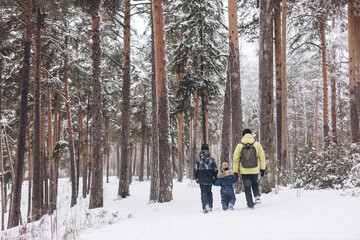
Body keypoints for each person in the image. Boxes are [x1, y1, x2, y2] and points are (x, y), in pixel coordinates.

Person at [232, 128, 266, 208]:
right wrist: (262, 168)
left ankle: (250, 203)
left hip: (245, 170)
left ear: (243, 135)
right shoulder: (257, 144)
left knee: (247, 187)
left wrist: (235, 172)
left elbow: (235, 160)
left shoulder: (239, 146)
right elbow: (262, 157)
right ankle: (257, 196)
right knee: (255, 182)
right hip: (254, 169)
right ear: (251, 134)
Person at [194, 143, 218, 213]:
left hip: (201, 178)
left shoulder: (198, 160)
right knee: (209, 192)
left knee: (203, 192)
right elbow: (215, 169)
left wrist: (196, 177)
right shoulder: (211, 159)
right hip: (210, 178)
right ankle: (210, 206)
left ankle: (205, 206)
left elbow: (195, 169)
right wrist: (216, 177)